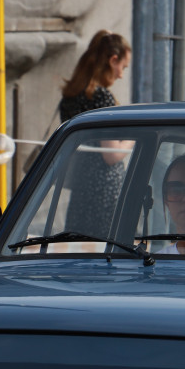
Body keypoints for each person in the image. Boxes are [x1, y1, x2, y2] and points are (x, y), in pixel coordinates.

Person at [58, 30, 133, 234]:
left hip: (81, 188)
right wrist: (132, 138)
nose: (121, 75)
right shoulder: (101, 99)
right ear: (112, 60)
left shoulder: (70, 98)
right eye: (122, 67)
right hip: (105, 193)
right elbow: (111, 155)